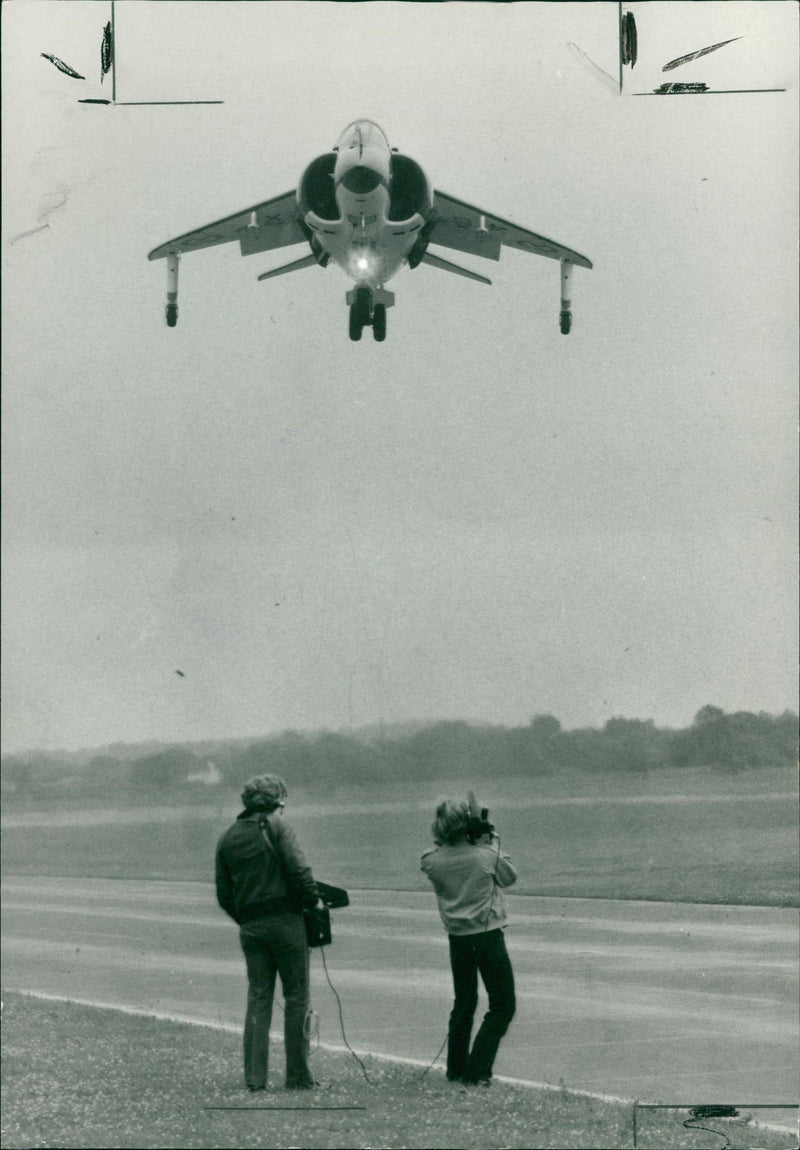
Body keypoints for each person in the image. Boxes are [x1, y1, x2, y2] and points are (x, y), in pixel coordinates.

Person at [215, 774, 320, 1092]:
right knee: (296, 997)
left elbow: (224, 894)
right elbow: (299, 869)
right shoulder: (278, 826)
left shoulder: (228, 837)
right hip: (286, 922)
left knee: (259, 998)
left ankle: (255, 1079)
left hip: (250, 927)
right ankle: (298, 1077)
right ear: (277, 801)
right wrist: (313, 901)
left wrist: (248, 918)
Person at [420, 798, 517, 1086]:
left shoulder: (431, 861)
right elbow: (510, 877)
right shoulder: (486, 856)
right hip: (488, 937)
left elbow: (435, 852)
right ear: (468, 826)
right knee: (502, 1005)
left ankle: (456, 1069)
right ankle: (477, 1072)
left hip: (458, 939)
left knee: (464, 1002)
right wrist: (488, 841)